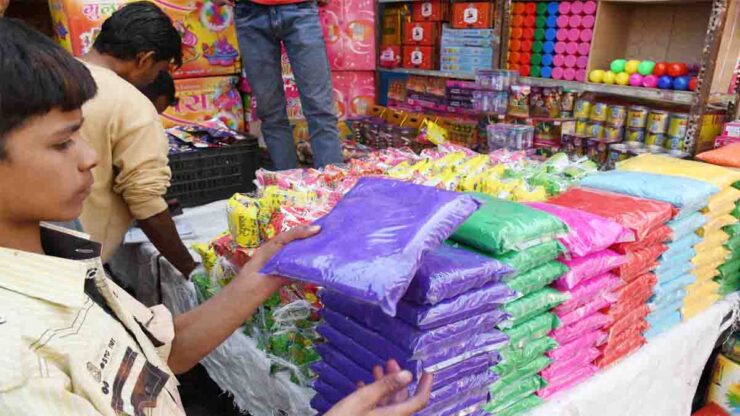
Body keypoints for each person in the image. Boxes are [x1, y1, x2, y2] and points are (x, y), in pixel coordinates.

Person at [0, 17, 431, 415]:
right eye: (62, 143)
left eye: (80, 134)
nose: (90, 157)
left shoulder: (64, 257)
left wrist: (262, 274)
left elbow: (157, 355)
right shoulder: (16, 370)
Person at [79, 2, 196, 277]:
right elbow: (146, 202)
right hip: (77, 261)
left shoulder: (55, 75)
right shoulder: (130, 103)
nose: (155, 79)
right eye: (159, 70)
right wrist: (190, 269)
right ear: (145, 59)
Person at [221, 0, 343, 170]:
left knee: (320, 107)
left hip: (300, 8)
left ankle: (332, 181)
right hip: (250, 12)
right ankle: (286, 182)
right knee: (270, 111)